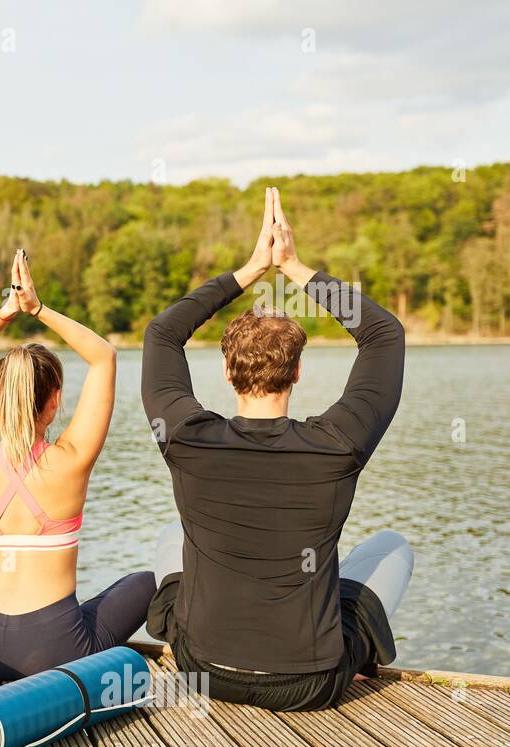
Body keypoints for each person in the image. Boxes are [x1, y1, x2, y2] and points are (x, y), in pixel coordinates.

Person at [141, 187, 412, 711]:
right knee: (393, 546)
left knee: (172, 532)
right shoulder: (338, 444)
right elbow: (384, 335)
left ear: (225, 372)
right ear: (298, 373)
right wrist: (295, 268)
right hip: (310, 683)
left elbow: (161, 336)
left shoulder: (186, 438)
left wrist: (250, 270)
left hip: (203, 670)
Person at [0, 249, 155, 680]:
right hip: (51, 653)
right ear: (56, 399)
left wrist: (6, 311)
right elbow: (104, 356)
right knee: (146, 582)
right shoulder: (71, 460)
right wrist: (37, 308)